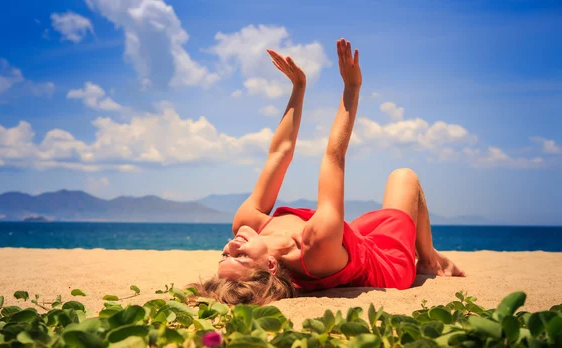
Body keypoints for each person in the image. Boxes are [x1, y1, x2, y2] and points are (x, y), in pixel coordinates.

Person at [189, 38, 465, 305]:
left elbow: (278, 154)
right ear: (271, 265)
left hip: (354, 241)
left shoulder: (247, 224)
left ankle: (430, 257)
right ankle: (427, 260)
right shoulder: (316, 248)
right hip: (386, 265)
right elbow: (334, 156)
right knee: (404, 177)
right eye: (240, 257)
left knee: (360, 220)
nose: (232, 245)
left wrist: (298, 86)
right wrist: (352, 87)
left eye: (224, 254)